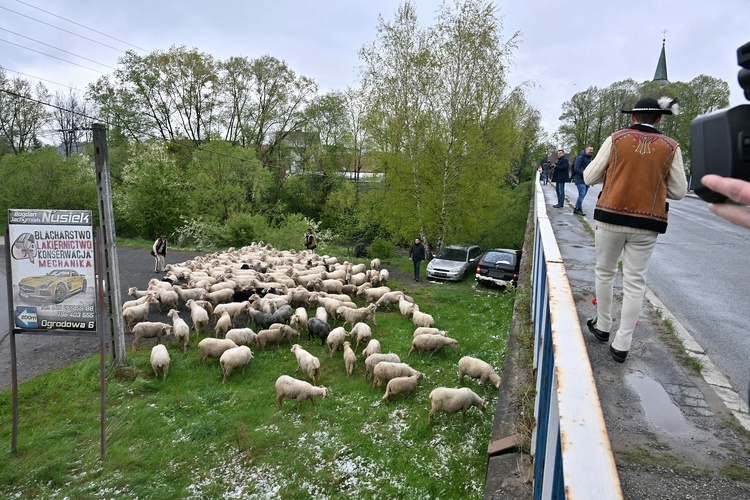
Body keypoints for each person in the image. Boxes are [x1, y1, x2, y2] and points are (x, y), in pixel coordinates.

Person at [583, 96, 686, 363]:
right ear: (660, 119)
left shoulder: (616, 139)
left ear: (632, 117)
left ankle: (603, 326)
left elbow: (589, 177)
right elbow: (679, 191)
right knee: (635, 283)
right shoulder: (671, 147)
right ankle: (622, 343)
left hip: (610, 217)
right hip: (647, 223)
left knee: (605, 273)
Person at [572, 145, 594, 215]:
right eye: (590, 150)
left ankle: (577, 208)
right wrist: (584, 174)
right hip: (580, 179)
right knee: (582, 193)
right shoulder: (580, 158)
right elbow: (576, 168)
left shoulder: (591, 159)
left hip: (587, 180)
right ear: (586, 150)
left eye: (592, 150)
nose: (591, 151)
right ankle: (578, 208)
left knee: (583, 194)